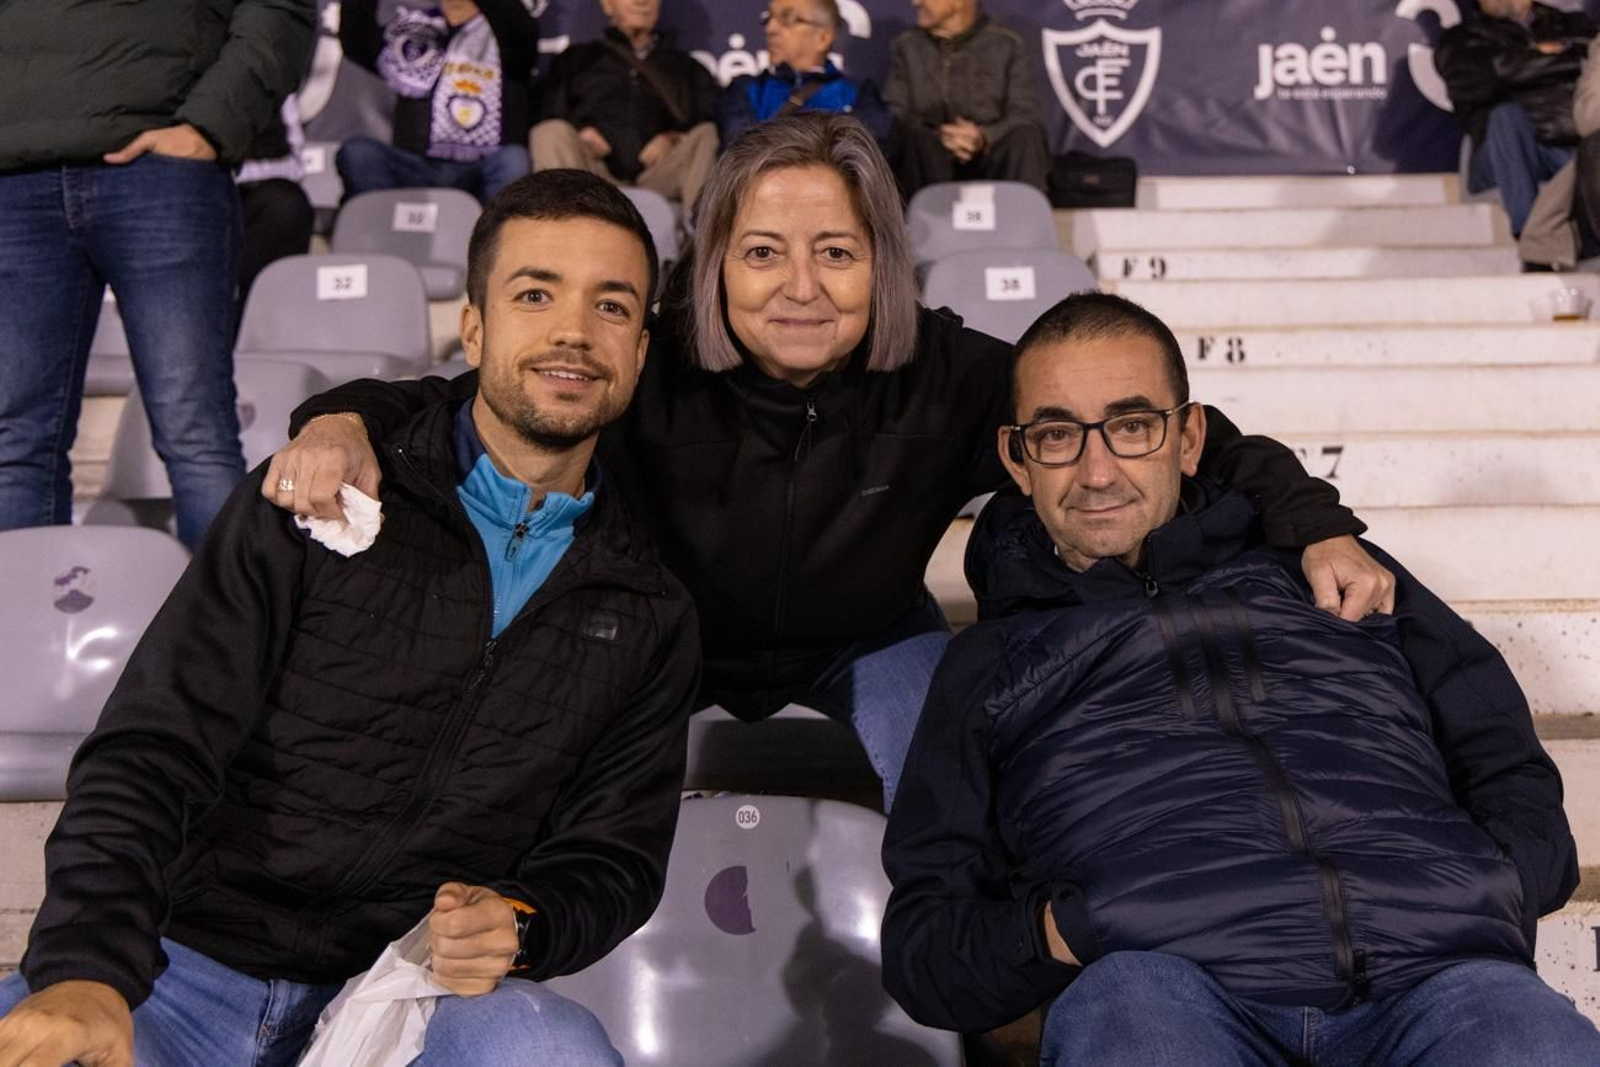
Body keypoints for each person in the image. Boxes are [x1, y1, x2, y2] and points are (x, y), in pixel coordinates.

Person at [265, 114, 1392, 813]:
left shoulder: (948, 372)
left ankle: (968, 1005)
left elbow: (1184, 429)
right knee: (559, 789)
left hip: (868, 634)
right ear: (712, 265)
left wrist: (1318, 525)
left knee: (958, 778)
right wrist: (342, 420)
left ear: (881, 266)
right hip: (667, 633)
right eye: (762, 253)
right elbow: (451, 403)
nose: (800, 285)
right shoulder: (645, 357)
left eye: (836, 253)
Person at [0, 171, 700, 1067]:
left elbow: (615, 857)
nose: (572, 330)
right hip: (180, 972)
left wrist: (525, 924)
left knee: (549, 1050)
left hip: (403, 995)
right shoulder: (319, 493)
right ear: (474, 326)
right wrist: (89, 966)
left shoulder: (650, 606)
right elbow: (152, 745)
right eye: (535, 293)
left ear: (640, 349)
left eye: (611, 306)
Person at [880, 291, 1597, 1065]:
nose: (1096, 471)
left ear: (1188, 438)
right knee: (1133, 1034)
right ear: (1018, 459)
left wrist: (1506, 880)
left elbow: (1501, 752)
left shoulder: (1334, 572)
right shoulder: (989, 660)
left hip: (1435, 973)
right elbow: (926, 944)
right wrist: (1072, 928)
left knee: (1538, 1042)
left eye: (1130, 427)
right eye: (1056, 435)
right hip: (1166, 991)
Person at [0, 0, 315, 550]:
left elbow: (277, 8)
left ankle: (225, 633)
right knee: (14, 442)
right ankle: (22, 634)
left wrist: (208, 128)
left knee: (195, 431)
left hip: (162, 167)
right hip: (16, 173)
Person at [337, 0, 538, 204]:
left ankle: (495, 233)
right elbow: (356, 40)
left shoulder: (509, 36)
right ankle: (376, 231)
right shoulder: (411, 33)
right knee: (359, 153)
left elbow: (517, 25)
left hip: (481, 169)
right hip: (414, 166)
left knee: (514, 160)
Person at [529, 0, 719, 213]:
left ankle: (706, 240)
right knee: (549, 132)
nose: (641, 2)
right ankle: (561, 232)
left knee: (705, 134)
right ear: (608, 5)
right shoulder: (577, 60)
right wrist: (581, 132)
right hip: (591, 172)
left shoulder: (689, 69)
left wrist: (673, 138)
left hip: (659, 175)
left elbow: (706, 117)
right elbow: (549, 111)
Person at [1435, 0, 1595, 242]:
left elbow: (1595, 61)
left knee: (1593, 150)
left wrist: (1523, 64)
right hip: (1497, 155)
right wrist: (1560, 58)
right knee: (1506, 116)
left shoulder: (1572, 25)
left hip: (1564, 142)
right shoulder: (1460, 39)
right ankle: (1532, 239)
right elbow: (1487, 76)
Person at [883, 0, 1051, 197]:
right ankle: (919, 225)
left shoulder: (1006, 44)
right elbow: (894, 114)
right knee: (912, 136)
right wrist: (943, 136)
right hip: (928, 160)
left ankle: (1022, 224)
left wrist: (983, 137)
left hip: (992, 160)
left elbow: (1026, 114)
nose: (915, 2)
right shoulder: (907, 46)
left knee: (1025, 136)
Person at [718, 0, 892, 148]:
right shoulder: (745, 90)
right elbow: (741, 149)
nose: (770, 29)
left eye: (787, 18)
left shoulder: (860, 94)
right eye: (768, 18)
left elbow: (864, 152)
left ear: (823, 38)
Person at [237, 99, 316, 304]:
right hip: (185, 193)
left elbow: (295, 166)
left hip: (256, 198)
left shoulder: (272, 78)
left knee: (287, 205)